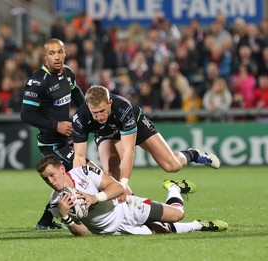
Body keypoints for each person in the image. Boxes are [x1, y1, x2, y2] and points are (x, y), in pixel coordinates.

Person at [72, 85, 220, 198]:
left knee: (172, 166)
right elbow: (79, 157)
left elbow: (128, 151)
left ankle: (192, 154)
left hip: (137, 126)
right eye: (95, 113)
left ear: (109, 103)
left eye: (102, 111)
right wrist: (76, 188)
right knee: (111, 172)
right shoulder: (81, 117)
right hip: (106, 133)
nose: (99, 117)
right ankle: (131, 209)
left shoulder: (123, 109)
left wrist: (123, 185)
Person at [36, 155, 228, 236]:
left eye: (52, 175)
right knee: (161, 231)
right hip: (112, 231)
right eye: (46, 180)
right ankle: (200, 225)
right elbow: (84, 233)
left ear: (62, 169)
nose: (51, 181)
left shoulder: (84, 172)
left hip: (127, 207)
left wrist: (95, 198)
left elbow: (118, 187)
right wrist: (65, 217)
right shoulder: (56, 204)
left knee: (177, 214)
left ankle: (174, 188)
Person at [21, 38, 85, 230]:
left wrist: (86, 116)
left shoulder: (68, 73)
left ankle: (45, 221)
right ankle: (63, 218)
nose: (57, 57)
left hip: (67, 139)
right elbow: (26, 114)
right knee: (74, 176)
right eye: (52, 53)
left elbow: (77, 95)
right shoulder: (38, 81)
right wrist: (55, 126)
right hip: (50, 143)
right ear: (44, 56)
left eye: (60, 52)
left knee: (70, 177)